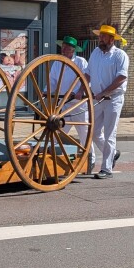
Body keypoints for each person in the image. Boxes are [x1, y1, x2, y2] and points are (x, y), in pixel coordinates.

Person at [84, 25, 129, 179]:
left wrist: (105, 92)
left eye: (103, 36)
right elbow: (88, 73)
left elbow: (122, 77)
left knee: (110, 134)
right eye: (100, 35)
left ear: (111, 39)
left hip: (113, 99)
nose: (100, 38)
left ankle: (106, 168)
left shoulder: (120, 55)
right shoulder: (95, 53)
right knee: (94, 131)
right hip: (98, 98)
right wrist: (81, 89)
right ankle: (113, 153)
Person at [48, 35, 95, 173]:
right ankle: (52, 159)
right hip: (64, 104)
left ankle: (90, 160)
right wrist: (47, 92)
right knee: (58, 132)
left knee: (85, 135)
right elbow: (52, 80)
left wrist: (79, 92)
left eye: (67, 47)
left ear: (73, 50)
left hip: (78, 104)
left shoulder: (81, 62)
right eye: (63, 46)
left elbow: (86, 79)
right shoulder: (57, 62)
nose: (64, 49)